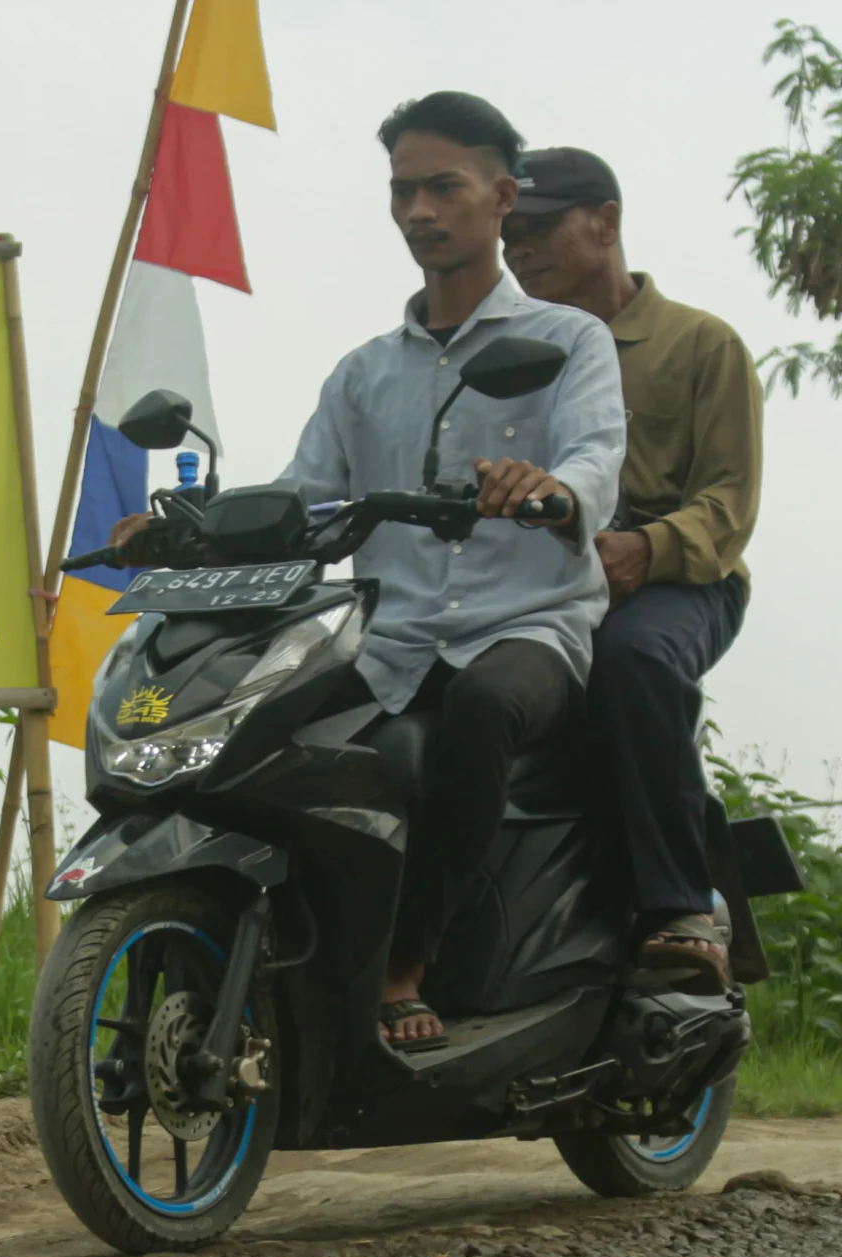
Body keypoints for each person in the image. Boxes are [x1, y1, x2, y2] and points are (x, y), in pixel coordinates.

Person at [253, 93, 623, 1051]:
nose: (419, 210)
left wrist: (547, 488)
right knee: (265, 721)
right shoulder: (363, 373)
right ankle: (267, 949)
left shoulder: (570, 340)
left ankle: (407, 962)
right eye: (402, 190)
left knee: (481, 707)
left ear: (502, 198)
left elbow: (595, 460)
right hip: (391, 635)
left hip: (527, 626)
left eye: (442, 187)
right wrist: (187, 527)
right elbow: (307, 497)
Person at [501, 147, 760, 990]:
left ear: (605, 223)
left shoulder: (701, 345)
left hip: (682, 582)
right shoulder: (504, 356)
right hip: (541, 580)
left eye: (538, 229)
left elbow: (729, 504)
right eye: (509, 236)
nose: (520, 250)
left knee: (634, 660)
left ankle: (683, 907)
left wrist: (645, 550)